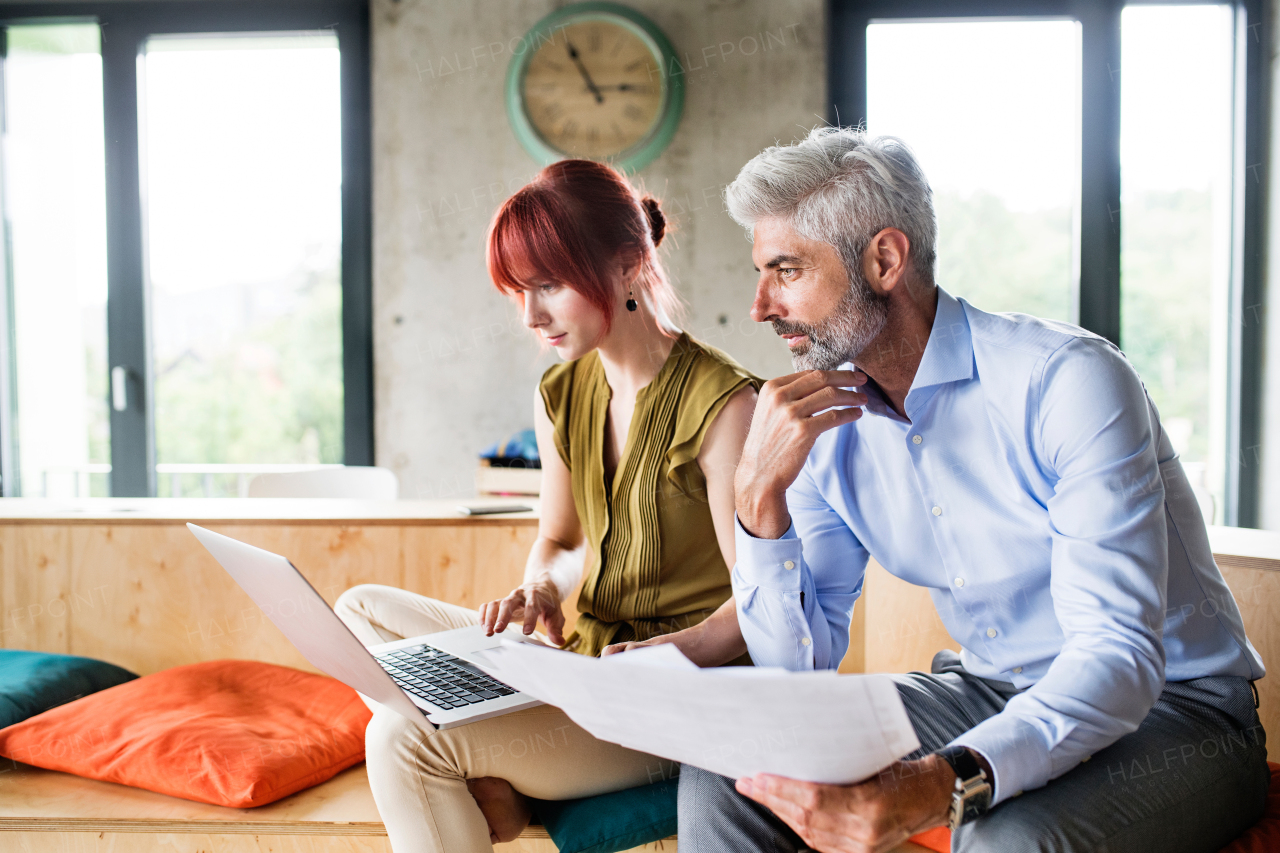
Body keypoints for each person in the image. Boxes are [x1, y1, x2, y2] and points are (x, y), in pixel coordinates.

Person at [659, 128, 1268, 852]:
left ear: (885, 259)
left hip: (1180, 713)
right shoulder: (817, 429)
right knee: (724, 774)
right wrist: (759, 504)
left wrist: (938, 778)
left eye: (786, 270)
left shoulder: (1064, 382)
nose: (759, 305)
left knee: (1004, 836)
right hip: (988, 687)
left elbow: (1117, 655)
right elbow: (799, 668)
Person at [333, 158, 760, 853]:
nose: (531, 316)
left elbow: (758, 604)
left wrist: (659, 654)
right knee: (358, 611)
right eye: (519, 292)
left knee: (401, 734)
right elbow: (561, 540)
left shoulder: (726, 405)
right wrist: (539, 590)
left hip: (674, 699)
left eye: (549, 286)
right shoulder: (561, 393)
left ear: (627, 265)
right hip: (578, 662)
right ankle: (503, 758)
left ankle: (504, 777)